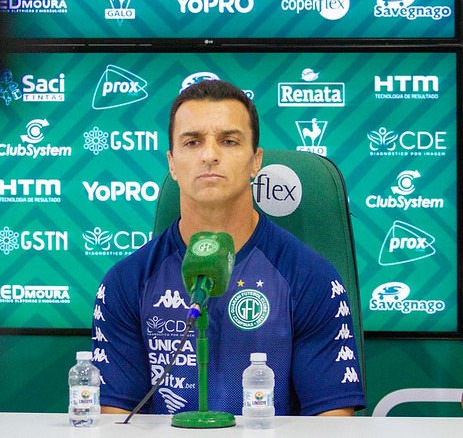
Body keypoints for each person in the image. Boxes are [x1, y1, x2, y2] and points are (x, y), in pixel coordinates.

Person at [91, 79, 366, 417]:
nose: (209, 155)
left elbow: (332, 422)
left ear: (256, 161)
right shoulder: (125, 282)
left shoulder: (312, 276)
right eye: (192, 142)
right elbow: (116, 419)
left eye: (229, 141)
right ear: (172, 163)